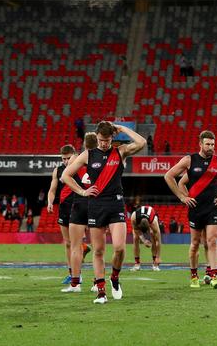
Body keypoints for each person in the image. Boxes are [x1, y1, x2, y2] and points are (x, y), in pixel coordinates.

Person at [61, 121, 146, 304]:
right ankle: (101, 293)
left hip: (115, 204)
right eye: (100, 140)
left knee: (120, 248)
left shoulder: (120, 151)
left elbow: (141, 142)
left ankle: (114, 278)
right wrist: (83, 191)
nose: (103, 144)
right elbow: (65, 175)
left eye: (106, 140)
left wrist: (122, 128)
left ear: (112, 138)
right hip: (96, 206)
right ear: (97, 137)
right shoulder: (88, 155)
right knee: (98, 251)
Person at [164, 130, 217, 289]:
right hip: (195, 209)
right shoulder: (189, 160)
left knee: (212, 241)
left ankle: (214, 275)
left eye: (213, 144)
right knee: (194, 244)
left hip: (213, 208)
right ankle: (194, 276)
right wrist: (182, 197)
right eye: (207, 144)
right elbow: (169, 176)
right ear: (200, 144)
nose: (211, 147)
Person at [60, 132, 97, 293]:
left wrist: (81, 191)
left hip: (80, 202)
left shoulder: (79, 158)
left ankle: (75, 284)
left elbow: (64, 177)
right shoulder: (106, 159)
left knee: (74, 246)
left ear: (84, 145)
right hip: (97, 202)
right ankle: (97, 283)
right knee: (98, 248)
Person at [48, 144, 79, 285]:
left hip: (79, 206)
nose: (66, 161)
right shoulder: (58, 170)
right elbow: (52, 190)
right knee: (68, 243)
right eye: (63, 159)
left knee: (76, 243)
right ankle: (71, 272)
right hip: (64, 208)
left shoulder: (81, 167)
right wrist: (49, 202)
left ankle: (81, 275)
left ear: (75, 155)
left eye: (68, 158)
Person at [130, 205, 162, 271]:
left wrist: (158, 257)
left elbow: (158, 241)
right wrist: (144, 240)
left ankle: (155, 263)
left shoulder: (154, 222)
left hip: (151, 214)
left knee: (153, 236)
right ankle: (137, 264)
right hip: (139, 218)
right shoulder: (134, 217)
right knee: (135, 238)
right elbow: (136, 231)